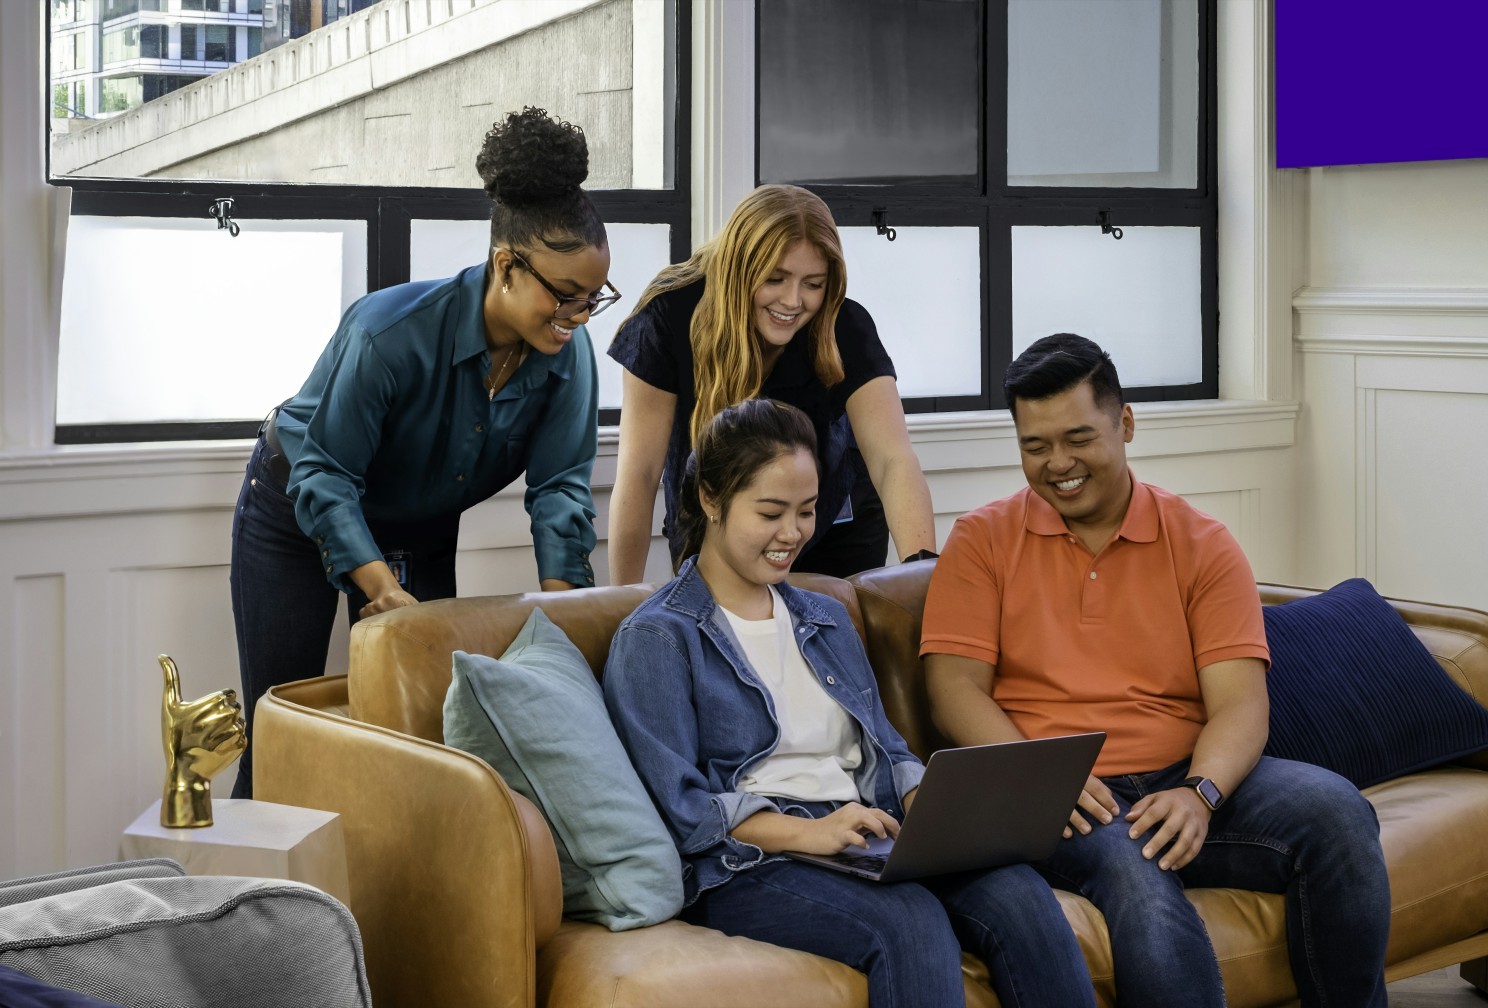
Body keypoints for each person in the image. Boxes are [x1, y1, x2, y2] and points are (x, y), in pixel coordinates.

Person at [921, 334, 1391, 1007]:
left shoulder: (1201, 542)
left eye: (1078, 437)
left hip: (1183, 774)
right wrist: (1039, 775)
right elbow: (952, 689)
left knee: (1339, 813)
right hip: (1062, 792)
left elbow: (1239, 704)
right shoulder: (981, 540)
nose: (1058, 464)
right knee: (1136, 873)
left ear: (1127, 423)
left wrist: (1200, 794)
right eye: (1035, 446)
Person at [602, 398, 1094, 1008]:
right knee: (908, 921)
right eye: (771, 512)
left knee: (1021, 896)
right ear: (710, 498)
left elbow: (886, 749)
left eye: (807, 512)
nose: (793, 534)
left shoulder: (824, 618)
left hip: (862, 834)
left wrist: (940, 811)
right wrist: (811, 834)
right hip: (753, 863)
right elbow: (681, 808)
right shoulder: (659, 637)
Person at [229, 107, 615, 798]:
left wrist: (566, 619)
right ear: (506, 265)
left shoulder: (567, 355)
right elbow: (325, 473)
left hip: (419, 529)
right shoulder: (389, 332)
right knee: (282, 732)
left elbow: (560, 491)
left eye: (593, 298)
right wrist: (379, 588)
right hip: (296, 511)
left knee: (421, 742)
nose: (578, 316)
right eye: (564, 295)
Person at [607, 184, 935, 584]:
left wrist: (921, 579)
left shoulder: (844, 325)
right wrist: (622, 602)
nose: (793, 301)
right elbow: (639, 474)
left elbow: (893, 460)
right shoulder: (668, 318)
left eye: (812, 284)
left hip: (833, 533)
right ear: (738, 269)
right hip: (716, 528)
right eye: (775, 279)